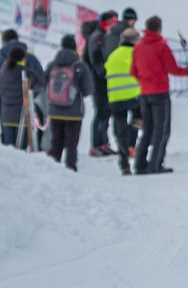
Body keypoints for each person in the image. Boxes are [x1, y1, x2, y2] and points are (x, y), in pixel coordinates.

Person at [130, 15, 188, 174]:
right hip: (160, 92)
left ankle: (139, 165)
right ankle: (155, 164)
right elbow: (172, 68)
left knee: (147, 130)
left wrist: (144, 80)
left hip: (145, 93)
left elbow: (133, 71)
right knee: (161, 130)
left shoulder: (138, 46)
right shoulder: (161, 45)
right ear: (159, 28)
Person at [44, 35, 95, 172]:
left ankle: (53, 169)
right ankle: (70, 169)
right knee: (71, 144)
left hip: (55, 110)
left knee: (56, 141)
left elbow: (44, 82)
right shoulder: (80, 65)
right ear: (74, 47)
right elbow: (88, 89)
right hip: (74, 112)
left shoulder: (52, 64)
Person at [104, 27, 143, 175]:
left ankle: (124, 162)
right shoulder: (136, 54)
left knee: (119, 130)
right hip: (134, 96)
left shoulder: (113, 55)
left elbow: (106, 72)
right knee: (139, 119)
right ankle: (131, 143)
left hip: (115, 98)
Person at [0, 30, 45, 149]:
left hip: (5, 110)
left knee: (8, 149)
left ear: (4, 41)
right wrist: (29, 96)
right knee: (23, 150)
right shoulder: (30, 58)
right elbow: (41, 81)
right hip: (25, 110)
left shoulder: (1, 57)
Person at [87, 10, 118, 157]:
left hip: (107, 80)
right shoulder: (97, 37)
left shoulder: (107, 36)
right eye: (112, 21)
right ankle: (96, 145)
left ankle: (104, 143)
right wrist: (104, 73)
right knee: (100, 112)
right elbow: (96, 59)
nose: (114, 24)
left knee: (106, 112)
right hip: (99, 81)